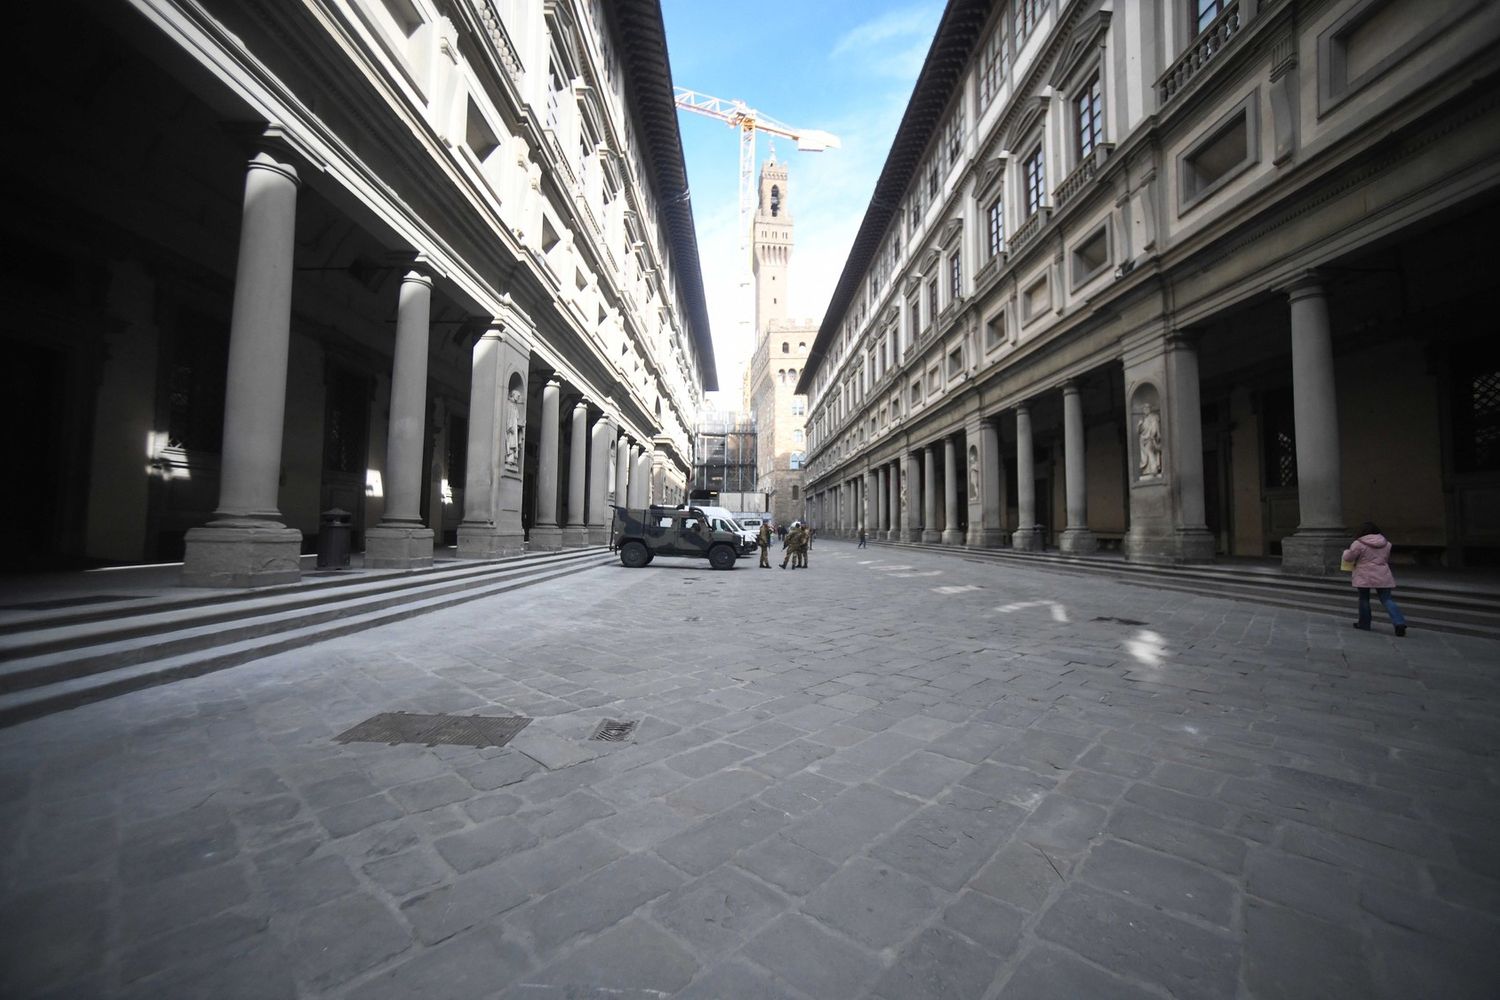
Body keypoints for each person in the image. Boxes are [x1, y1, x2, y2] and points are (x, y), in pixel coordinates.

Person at [1343, 520, 1407, 637]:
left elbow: (1348, 558)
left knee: (1364, 599)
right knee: (1387, 599)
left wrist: (1346, 552)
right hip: (1382, 572)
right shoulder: (1386, 544)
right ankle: (1399, 622)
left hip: (1364, 573)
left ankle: (1364, 623)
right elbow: (1385, 558)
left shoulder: (1358, 543)